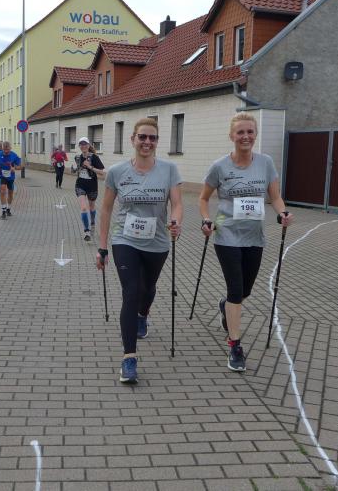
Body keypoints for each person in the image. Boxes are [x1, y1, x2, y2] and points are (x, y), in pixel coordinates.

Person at [198, 112, 294, 372]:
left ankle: (225, 307)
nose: (245, 136)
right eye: (240, 132)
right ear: (232, 136)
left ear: (255, 134)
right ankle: (235, 345)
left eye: (250, 132)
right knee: (235, 290)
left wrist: (283, 213)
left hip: (254, 237)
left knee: (245, 291)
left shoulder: (265, 163)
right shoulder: (219, 166)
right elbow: (204, 198)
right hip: (226, 235)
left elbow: (275, 197)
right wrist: (206, 219)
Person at [96, 118, 183, 384]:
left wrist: (176, 221)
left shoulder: (169, 169)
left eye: (152, 138)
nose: (147, 142)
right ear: (133, 139)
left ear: (157, 142)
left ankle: (143, 315)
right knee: (131, 292)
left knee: (148, 288)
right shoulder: (117, 171)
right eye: (142, 137)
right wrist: (102, 247)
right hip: (125, 239)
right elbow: (106, 209)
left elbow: (177, 203)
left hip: (157, 241)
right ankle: (129, 358)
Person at [74, 137, 105, 240]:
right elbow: (78, 169)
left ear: (88, 145)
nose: (83, 146)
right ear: (79, 146)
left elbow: (102, 173)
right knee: (83, 207)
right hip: (80, 185)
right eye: (81, 144)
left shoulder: (94, 157)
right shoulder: (77, 158)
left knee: (91, 207)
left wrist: (90, 166)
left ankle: (92, 222)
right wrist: (75, 169)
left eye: (85, 144)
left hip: (92, 186)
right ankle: (87, 231)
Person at [0, 140, 23, 219]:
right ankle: (3, 211)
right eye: (4, 150)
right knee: (3, 191)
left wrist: (14, 168)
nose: (6, 152)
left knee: (10, 193)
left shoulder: (14, 155)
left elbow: (20, 166)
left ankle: (8, 208)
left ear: (10, 148)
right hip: (2, 176)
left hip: (10, 177)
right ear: (2, 148)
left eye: (7, 150)